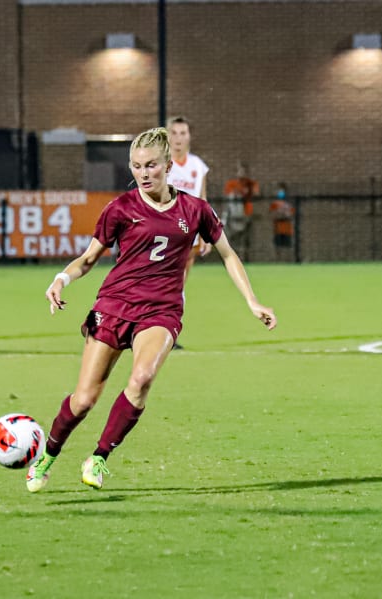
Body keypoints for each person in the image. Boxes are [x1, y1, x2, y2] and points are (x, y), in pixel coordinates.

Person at [26, 127, 277, 493]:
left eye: (152, 166)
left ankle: (98, 458)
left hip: (161, 311)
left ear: (167, 166)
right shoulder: (120, 208)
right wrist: (61, 279)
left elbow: (227, 253)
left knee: (142, 379)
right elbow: (89, 258)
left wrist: (252, 301)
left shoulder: (194, 210)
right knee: (84, 400)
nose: (144, 174)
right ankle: (47, 455)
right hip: (114, 305)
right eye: (138, 166)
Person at [166, 115, 210, 349]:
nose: (179, 138)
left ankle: (168, 333)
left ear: (189, 137)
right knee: (155, 283)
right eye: (174, 133)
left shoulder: (197, 166)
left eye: (183, 133)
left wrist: (205, 232)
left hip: (187, 237)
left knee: (178, 284)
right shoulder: (161, 165)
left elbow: (202, 201)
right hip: (162, 236)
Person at [222, 163, 259, 261]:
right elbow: (229, 196)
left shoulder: (250, 184)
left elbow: (256, 194)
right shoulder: (231, 183)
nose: (241, 173)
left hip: (246, 214)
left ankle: (244, 259)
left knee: (245, 239)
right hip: (233, 215)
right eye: (240, 171)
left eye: (244, 171)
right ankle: (232, 258)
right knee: (232, 239)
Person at [269, 182, 295, 261]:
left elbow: (292, 214)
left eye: (282, 190)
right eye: (279, 190)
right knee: (277, 247)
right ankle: (277, 261)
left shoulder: (289, 203)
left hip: (287, 228)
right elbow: (271, 214)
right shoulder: (275, 204)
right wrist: (278, 214)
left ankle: (288, 261)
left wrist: (285, 214)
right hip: (277, 228)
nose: (280, 192)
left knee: (288, 246)